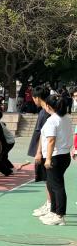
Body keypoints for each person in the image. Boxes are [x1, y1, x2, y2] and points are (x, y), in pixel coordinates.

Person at [38, 93, 73, 225]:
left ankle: (59, 216)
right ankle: (53, 211)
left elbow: (51, 140)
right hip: (64, 155)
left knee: (57, 186)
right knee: (52, 184)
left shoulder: (52, 120)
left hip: (55, 156)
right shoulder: (66, 117)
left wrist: (48, 159)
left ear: (48, 106)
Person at [29, 86, 52, 216]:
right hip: (45, 150)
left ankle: (50, 205)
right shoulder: (45, 111)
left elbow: (43, 135)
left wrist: (39, 153)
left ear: (37, 98)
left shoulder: (45, 113)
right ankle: (48, 203)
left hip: (44, 151)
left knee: (49, 179)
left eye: (33, 98)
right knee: (47, 179)